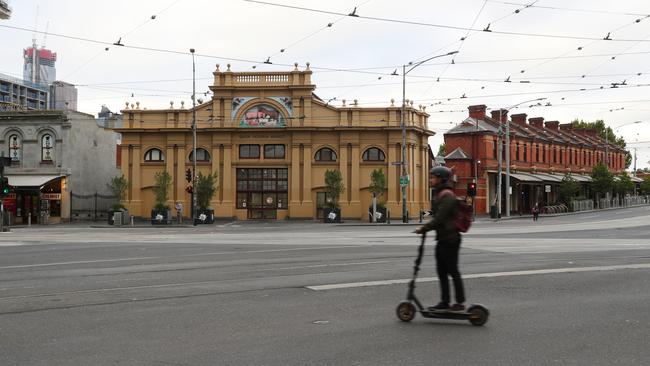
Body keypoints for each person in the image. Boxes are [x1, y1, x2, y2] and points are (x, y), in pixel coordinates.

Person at [415, 166, 466, 312]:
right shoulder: (439, 194)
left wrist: (423, 228)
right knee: (441, 271)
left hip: (450, 239)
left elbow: (439, 219)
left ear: (441, 179)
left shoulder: (447, 195)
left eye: (432, 177)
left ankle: (460, 303)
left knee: (452, 270)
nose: (430, 180)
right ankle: (445, 301)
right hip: (443, 238)